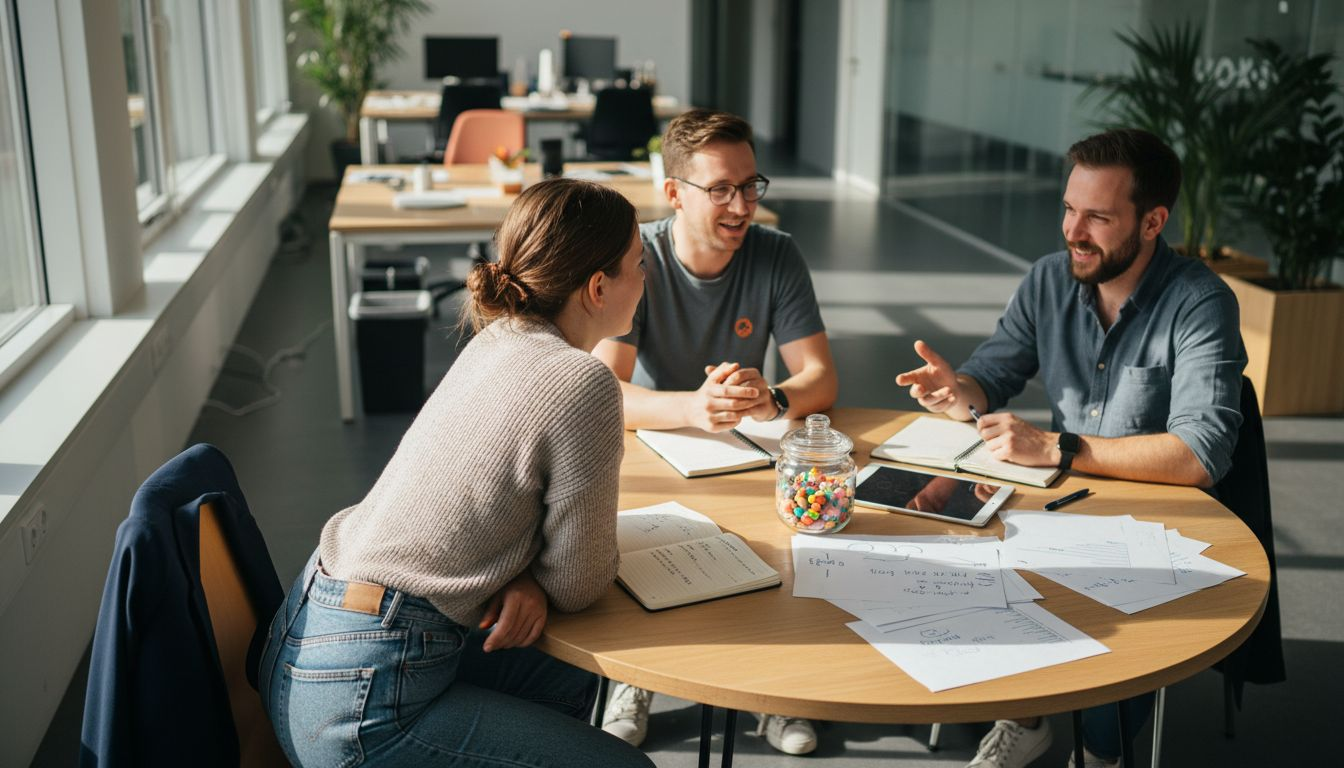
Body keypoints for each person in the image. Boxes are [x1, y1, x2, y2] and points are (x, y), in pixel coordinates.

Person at [257, 179, 654, 768]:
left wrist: (524, 578)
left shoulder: (498, 337)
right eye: (639, 264)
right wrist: (538, 579)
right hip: (364, 702)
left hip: (307, 639)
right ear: (598, 287)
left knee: (560, 676)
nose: (647, 278)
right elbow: (579, 582)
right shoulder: (583, 381)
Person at [894, 128, 1246, 768]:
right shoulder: (1050, 280)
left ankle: (1093, 742)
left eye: (1097, 217)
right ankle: (1023, 716)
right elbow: (990, 377)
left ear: (1152, 222)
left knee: (1104, 728)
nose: (1072, 230)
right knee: (955, 569)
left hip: (1163, 528)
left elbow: (1201, 454)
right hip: (1058, 508)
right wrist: (956, 391)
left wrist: (1058, 446)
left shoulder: (1200, 302)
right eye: (1068, 208)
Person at [594, 108, 838, 756]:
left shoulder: (777, 254)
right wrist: (693, 409)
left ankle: (773, 692)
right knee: (641, 549)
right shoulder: (636, 257)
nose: (742, 205)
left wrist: (772, 397)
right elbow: (605, 390)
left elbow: (819, 376)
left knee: (783, 546)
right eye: (722, 189)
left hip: (743, 448)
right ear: (674, 193)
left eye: (752, 186)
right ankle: (633, 678)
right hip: (651, 443)